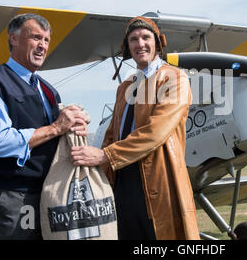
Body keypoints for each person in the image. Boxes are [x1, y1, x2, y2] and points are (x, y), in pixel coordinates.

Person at [70, 16, 200, 240]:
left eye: (146, 37)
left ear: (158, 43)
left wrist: (105, 155)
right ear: (128, 47)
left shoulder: (175, 79)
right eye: (133, 39)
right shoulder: (125, 87)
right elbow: (112, 134)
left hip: (160, 179)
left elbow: (155, 132)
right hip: (122, 178)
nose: (140, 44)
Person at [0, 13, 87, 240]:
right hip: (15, 195)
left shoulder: (48, 90)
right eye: (35, 38)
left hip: (52, 191)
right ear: (13, 39)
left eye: (46, 40)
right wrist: (56, 128)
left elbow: (58, 133)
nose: (42, 46)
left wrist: (75, 126)